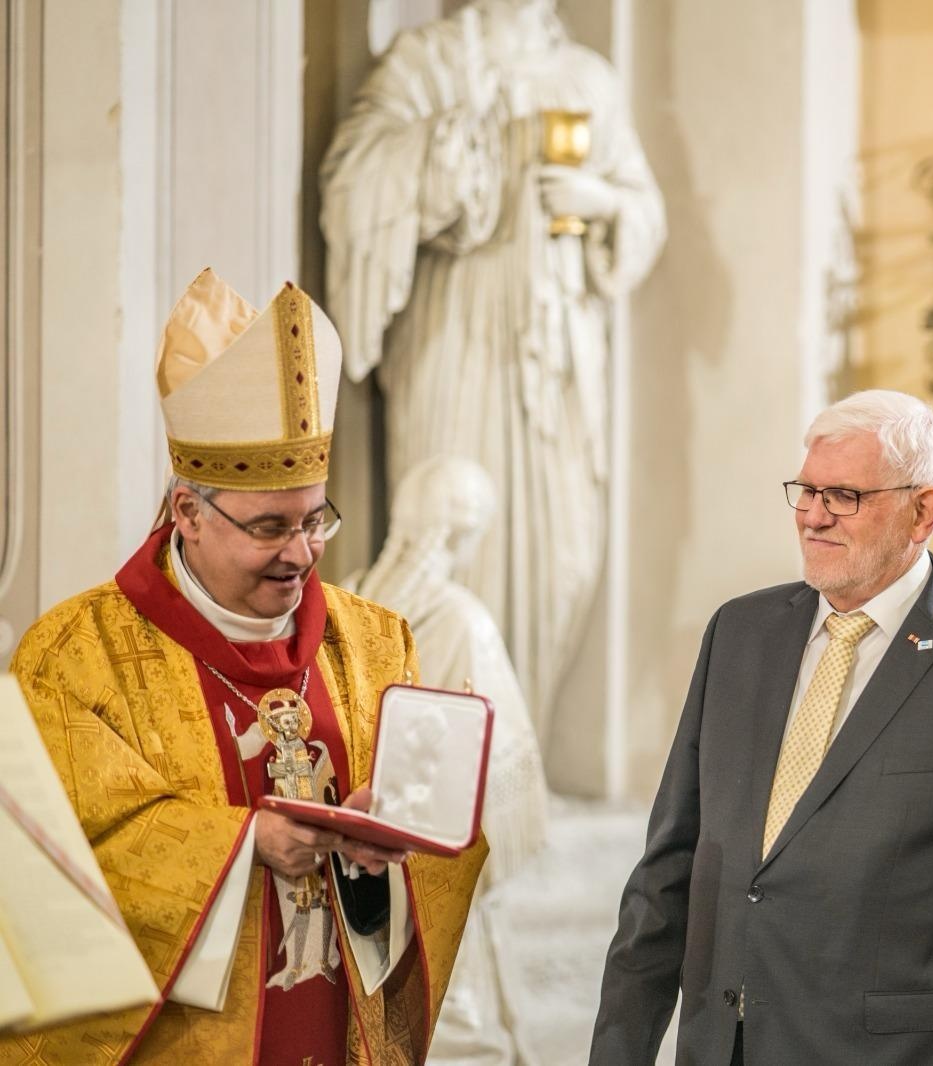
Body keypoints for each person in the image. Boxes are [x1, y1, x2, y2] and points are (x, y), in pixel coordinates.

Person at [2, 269, 486, 1063]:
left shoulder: (375, 645)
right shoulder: (74, 660)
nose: (302, 554)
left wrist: (384, 851)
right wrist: (240, 848)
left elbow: (430, 871)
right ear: (188, 513)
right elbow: (40, 882)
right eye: (269, 527)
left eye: (314, 520)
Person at [590, 390, 933, 1065]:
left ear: (924, 511)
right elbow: (668, 873)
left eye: (845, 496)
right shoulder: (740, 633)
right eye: (806, 491)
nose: (813, 517)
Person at [321, 0, 667, 748]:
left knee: (562, 551)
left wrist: (600, 201)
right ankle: (445, 763)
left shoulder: (586, 77)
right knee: (446, 525)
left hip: (557, 351)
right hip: (458, 332)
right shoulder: (429, 62)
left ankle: (517, 755)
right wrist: (442, 152)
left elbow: (642, 205)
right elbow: (354, 182)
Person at [352, 455, 549, 1065]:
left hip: (367, 845)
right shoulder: (464, 619)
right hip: (441, 849)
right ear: (463, 533)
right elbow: (498, 759)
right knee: (461, 1022)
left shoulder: (356, 593)